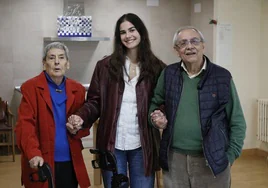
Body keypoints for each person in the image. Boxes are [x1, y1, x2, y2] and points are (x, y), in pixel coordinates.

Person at [66, 13, 166, 188]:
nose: (128, 36)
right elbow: (95, 101)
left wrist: (161, 115)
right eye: (123, 32)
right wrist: (81, 117)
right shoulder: (104, 67)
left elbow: (163, 102)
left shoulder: (157, 67)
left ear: (141, 32)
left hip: (143, 144)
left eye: (132, 30)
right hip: (113, 143)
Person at [149, 26, 246, 188]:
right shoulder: (168, 74)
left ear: (203, 45)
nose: (189, 46)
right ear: (176, 50)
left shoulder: (222, 77)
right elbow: (154, 104)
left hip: (212, 160)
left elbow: (237, 121)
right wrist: (155, 117)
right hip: (174, 160)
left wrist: (230, 156)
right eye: (183, 43)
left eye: (195, 41)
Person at [15, 42, 90, 188]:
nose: (56, 62)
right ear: (44, 63)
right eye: (51, 58)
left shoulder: (78, 90)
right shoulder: (31, 88)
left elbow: (85, 125)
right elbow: (25, 125)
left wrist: (79, 126)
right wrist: (33, 153)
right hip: (41, 160)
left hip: (70, 160)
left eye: (61, 58)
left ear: (67, 64)